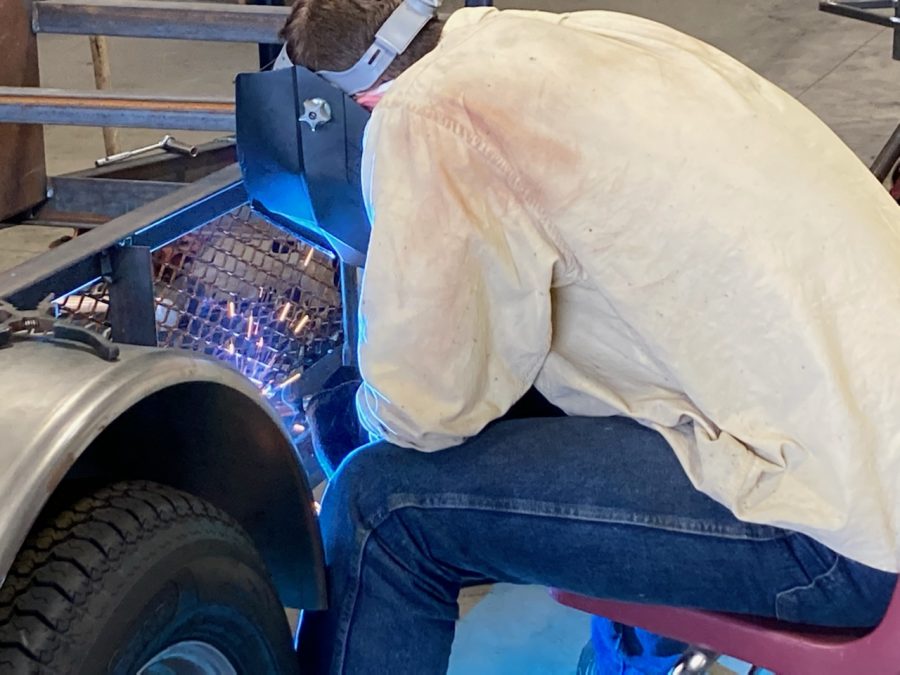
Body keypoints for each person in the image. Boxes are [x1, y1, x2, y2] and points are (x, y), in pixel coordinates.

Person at [283, 2, 900, 673]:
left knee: (380, 502)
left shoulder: (428, 112)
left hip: (841, 533)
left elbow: (423, 405)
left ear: (361, 96)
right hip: (865, 445)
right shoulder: (588, 37)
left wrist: (356, 412)